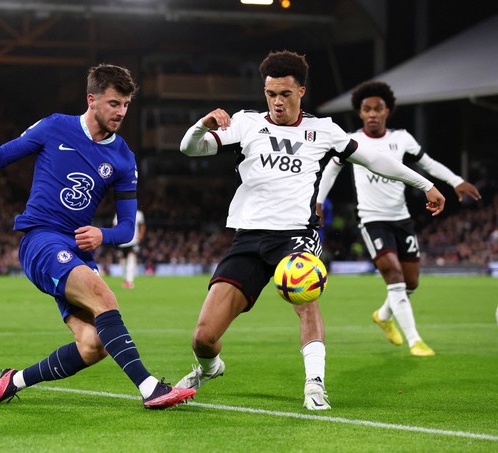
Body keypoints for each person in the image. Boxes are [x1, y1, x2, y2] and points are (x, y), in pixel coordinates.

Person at [176, 50, 446, 411]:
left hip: (296, 236)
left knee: (306, 302)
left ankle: (315, 384)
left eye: (285, 94)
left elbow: (376, 158)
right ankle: (210, 369)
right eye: (270, 94)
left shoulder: (323, 130)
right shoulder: (245, 123)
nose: (276, 102)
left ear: (300, 91)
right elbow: (191, 149)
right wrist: (202, 125)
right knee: (203, 338)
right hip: (248, 238)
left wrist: (424, 184)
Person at [0, 64, 195, 409]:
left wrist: (102, 234)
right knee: (104, 297)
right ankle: (150, 387)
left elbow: (126, 229)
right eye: (113, 103)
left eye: (125, 104)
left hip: (79, 249)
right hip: (41, 239)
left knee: (93, 345)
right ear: (91, 100)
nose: (121, 112)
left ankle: (12, 381)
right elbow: (6, 153)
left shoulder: (124, 158)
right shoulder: (55, 127)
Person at [316, 81, 481, 357]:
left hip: (401, 218)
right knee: (394, 276)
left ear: (387, 111)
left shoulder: (402, 138)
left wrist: (456, 181)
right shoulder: (351, 142)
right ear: (360, 113)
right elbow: (331, 170)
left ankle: (383, 315)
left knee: (411, 282)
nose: (372, 114)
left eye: (377, 109)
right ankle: (415, 340)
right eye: (366, 109)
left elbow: (427, 163)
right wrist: (319, 202)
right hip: (372, 220)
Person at [113, 209, 145, 288]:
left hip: (133, 241)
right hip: (122, 242)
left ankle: (129, 281)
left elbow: (142, 225)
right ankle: (126, 279)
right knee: (123, 262)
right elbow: (114, 226)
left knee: (131, 258)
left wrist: (141, 235)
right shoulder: (119, 213)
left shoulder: (138, 214)